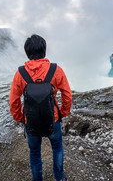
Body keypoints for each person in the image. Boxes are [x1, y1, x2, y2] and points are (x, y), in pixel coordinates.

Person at [9, 34, 72, 181]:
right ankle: (59, 177)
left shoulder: (20, 73)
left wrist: (20, 118)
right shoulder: (56, 70)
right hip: (53, 119)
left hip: (31, 122)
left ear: (27, 52)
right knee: (57, 148)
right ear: (44, 50)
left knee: (35, 152)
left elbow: (14, 100)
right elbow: (67, 95)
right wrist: (62, 113)